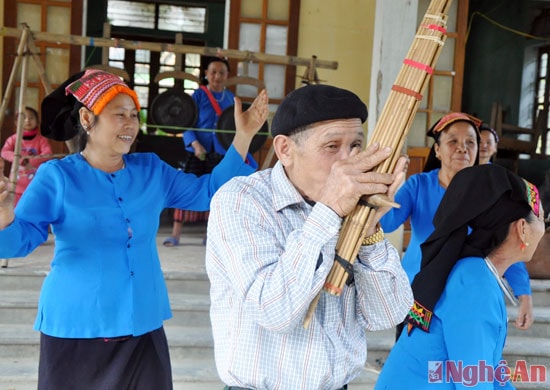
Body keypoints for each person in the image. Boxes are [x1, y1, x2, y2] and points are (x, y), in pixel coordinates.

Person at [0, 69, 268, 389]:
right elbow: (20, 241)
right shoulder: (57, 176)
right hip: (76, 326)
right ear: (87, 119)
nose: (130, 124)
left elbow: (211, 190)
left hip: (142, 322)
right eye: (119, 115)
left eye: (134, 115)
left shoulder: (151, 170)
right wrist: (5, 220)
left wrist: (244, 136)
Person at [206, 84, 414, 390]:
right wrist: (329, 210)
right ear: (285, 150)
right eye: (332, 147)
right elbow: (273, 312)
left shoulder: (353, 209)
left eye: (356, 145)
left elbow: (387, 315)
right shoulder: (241, 200)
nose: (348, 160)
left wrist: (368, 228)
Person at [375, 164, 545, 389]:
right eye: (542, 217)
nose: (544, 226)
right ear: (523, 228)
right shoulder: (474, 285)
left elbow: (488, 369)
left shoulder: (476, 273)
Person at [380, 112, 534, 335]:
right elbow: (386, 223)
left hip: (467, 292)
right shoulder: (418, 185)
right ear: (437, 150)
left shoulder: (491, 195)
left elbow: (507, 244)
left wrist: (524, 294)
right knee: (415, 357)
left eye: (470, 142)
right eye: (452, 141)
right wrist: (383, 192)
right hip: (418, 292)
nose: (462, 148)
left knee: (455, 361)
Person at [163, 56, 250, 247]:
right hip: (197, 150)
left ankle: (210, 235)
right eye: (213, 72)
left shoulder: (231, 99)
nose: (217, 76)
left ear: (227, 76)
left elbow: (235, 127)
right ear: (206, 74)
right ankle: (176, 235)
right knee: (185, 189)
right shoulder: (198, 95)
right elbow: (186, 121)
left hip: (220, 152)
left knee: (218, 192)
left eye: (221, 73)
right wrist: (194, 144)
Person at [1, 106, 52, 268]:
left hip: (32, 186)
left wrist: (31, 160)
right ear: (17, 122)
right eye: (24, 118)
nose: (28, 121)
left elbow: (47, 154)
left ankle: (36, 233)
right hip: (15, 184)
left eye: (31, 117)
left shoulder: (41, 140)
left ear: (37, 121)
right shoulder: (13, 139)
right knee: (13, 213)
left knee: (33, 211)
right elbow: (5, 152)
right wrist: (19, 158)